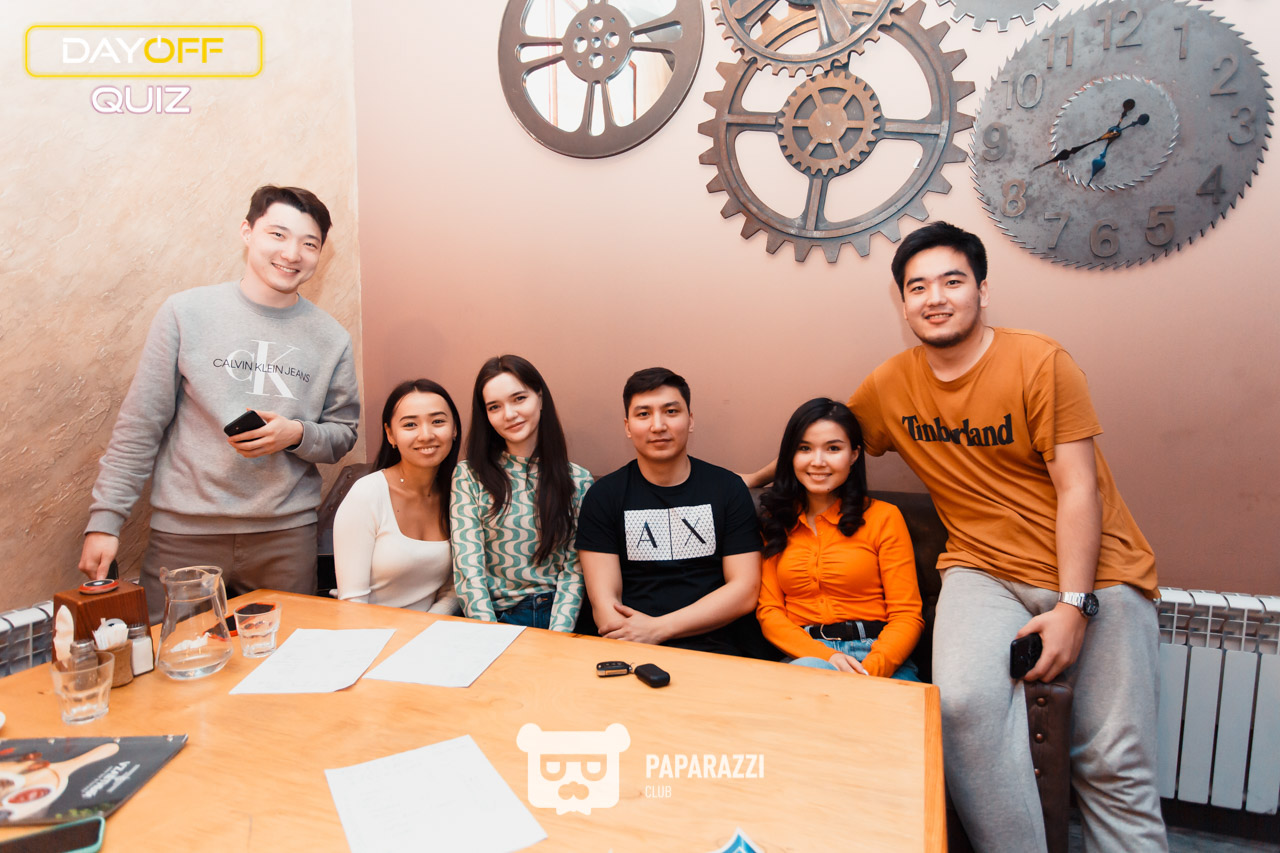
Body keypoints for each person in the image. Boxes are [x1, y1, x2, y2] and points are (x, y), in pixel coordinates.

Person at [749, 222, 1166, 851]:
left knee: (1113, 762)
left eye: (952, 281)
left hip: (1099, 570)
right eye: (917, 287)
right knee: (961, 710)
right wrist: (750, 480)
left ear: (982, 290)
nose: (935, 298)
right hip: (981, 569)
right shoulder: (891, 384)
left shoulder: (1040, 361)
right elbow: (824, 442)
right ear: (903, 303)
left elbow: (1080, 490)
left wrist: (1074, 607)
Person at [79, 186, 360, 623]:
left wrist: (296, 434)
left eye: (309, 243)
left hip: (284, 537)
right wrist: (105, 521)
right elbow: (140, 425)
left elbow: (343, 434)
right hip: (185, 535)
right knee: (174, 655)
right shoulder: (185, 313)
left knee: (282, 657)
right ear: (247, 232)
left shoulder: (332, 338)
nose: (292, 254)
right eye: (278, 235)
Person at [576, 368, 772, 658]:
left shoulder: (727, 489)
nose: (658, 425)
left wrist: (657, 629)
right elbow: (604, 603)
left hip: (718, 649)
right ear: (628, 426)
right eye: (644, 414)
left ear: (690, 420)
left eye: (671, 411)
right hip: (632, 646)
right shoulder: (604, 496)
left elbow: (745, 590)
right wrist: (635, 637)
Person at [756, 398, 922, 679]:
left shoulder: (884, 517)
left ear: (854, 455)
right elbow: (769, 612)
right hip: (807, 658)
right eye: (804, 448)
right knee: (809, 674)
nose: (818, 462)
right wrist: (827, 658)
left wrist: (868, 671)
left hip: (879, 658)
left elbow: (907, 615)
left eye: (833, 448)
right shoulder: (776, 522)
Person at [450, 355, 592, 631]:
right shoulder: (468, 475)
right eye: (494, 407)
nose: (509, 414)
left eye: (519, 399)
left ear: (540, 398)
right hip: (497, 618)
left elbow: (574, 572)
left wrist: (558, 637)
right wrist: (490, 636)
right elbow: (468, 570)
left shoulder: (578, 479)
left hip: (557, 618)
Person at [333, 379, 461, 613]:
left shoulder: (458, 493)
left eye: (438, 421)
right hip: (368, 629)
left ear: (454, 429)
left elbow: (453, 589)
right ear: (390, 434)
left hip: (431, 629)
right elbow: (352, 603)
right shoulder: (367, 494)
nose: (426, 435)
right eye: (410, 424)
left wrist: (427, 625)